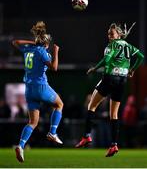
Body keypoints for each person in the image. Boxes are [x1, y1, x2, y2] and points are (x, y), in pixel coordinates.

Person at [75, 22, 144, 157]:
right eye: (108, 34)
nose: (109, 36)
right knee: (114, 114)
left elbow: (106, 60)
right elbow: (141, 57)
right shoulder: (128, 46)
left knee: (91, 106)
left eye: (111, 34)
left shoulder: (111, 45)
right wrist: (132, 70)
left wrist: (95, 68)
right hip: (123, 80)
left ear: (118, 34)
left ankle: (86, 136)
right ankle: (114, 145)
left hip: (110, 78)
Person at [12, 21, 64, 162]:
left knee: (33, 122)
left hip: (29, 90)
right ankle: (53, 132)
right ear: (46, 44)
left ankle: (21, 146)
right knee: (59, 104)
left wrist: (34, 42)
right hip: (40, 87)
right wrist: (56, 51)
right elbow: (54, 67)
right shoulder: (42, 52)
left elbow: (15, 42)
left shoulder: (29, 49)